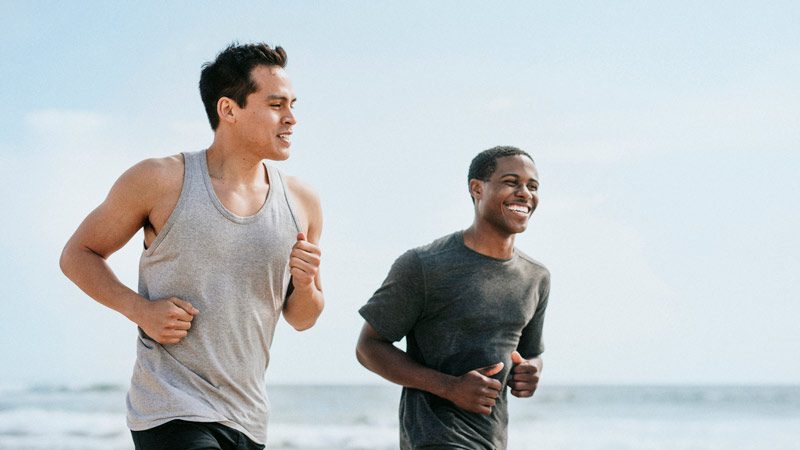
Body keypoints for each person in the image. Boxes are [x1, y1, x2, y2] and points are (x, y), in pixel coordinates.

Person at [59, 43, 324, 450]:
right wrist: (139, 310)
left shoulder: (302, 203)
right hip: (170, 407)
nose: (291, 118)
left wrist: (305, 286)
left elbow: (302, 318)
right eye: (275, 105)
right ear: (228, 109)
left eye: (292, 105)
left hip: (248, 417)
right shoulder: (160, 179)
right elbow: (78, 254)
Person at [356, 146, 550, 449]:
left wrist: (531, 371)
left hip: (492, 441)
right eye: (512, 182)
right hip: (433, 440)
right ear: (477, 188)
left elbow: (529, 354)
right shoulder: (424, 264)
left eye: (532, 185)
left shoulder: (535, 277)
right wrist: (450, 387)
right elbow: (368, 347)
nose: (524, 193)